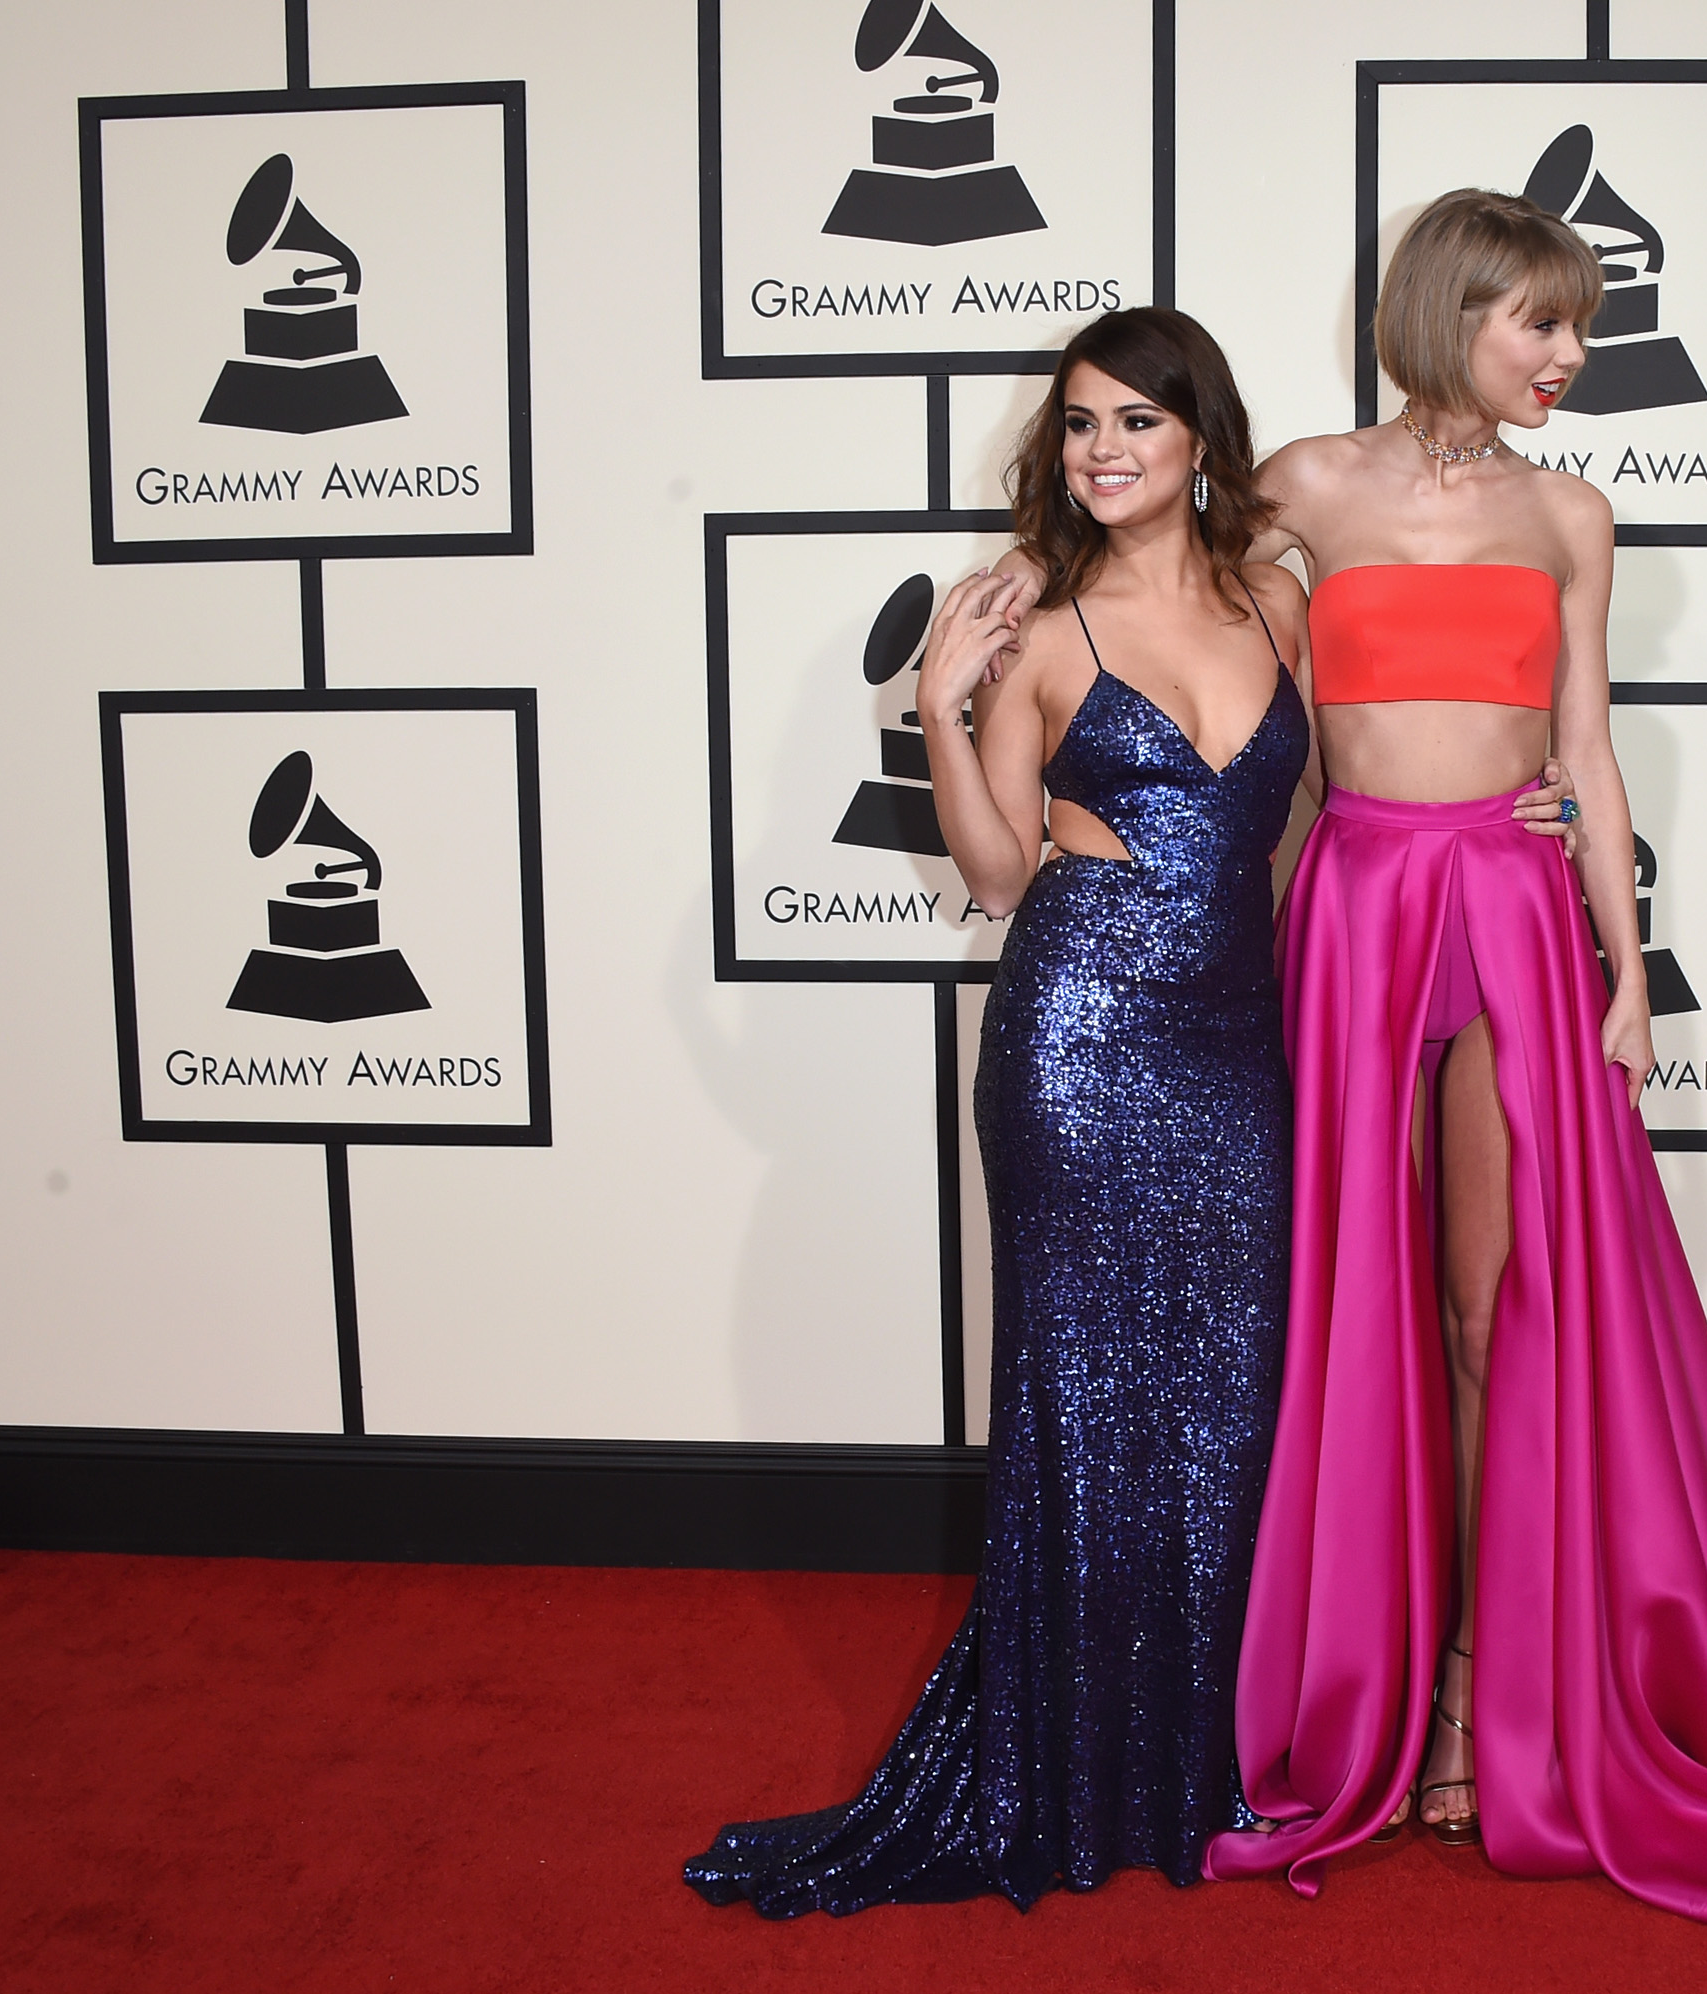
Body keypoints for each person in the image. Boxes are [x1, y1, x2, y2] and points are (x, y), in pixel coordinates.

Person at [683, 307, 1565, 1916]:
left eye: (1136, 426)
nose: (1102, 452)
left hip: (1246, 1047)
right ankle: (1072, 1764)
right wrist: (949, 705)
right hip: (1080, 1048)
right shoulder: (1042, 632)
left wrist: (1533, 797)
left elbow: (1354, 793)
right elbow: (1001, 871)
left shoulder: (1280, 603)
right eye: (1081, 426)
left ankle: (1216, 1750)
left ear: (1201, 444)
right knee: (1086, 1416)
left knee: (1238, 1404)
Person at [1202, 191, 1707, 1923]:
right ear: (1454, 310)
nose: (1572, 359)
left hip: (1521, 915)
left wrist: (1626, 970)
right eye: (1545, 323)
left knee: (1485, 1302)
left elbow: (1591, 752)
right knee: (1346, 1297)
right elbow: (1183, 616)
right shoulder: (1306, 483)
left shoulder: (1573, 513)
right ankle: (1338, 1669)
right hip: (1357, 908)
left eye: (1581, 329)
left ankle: (1475, 1683)